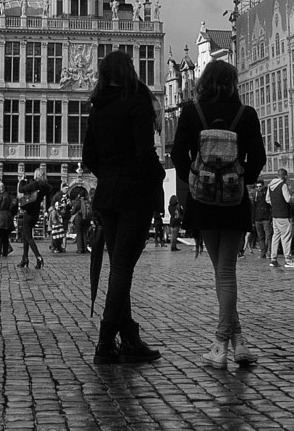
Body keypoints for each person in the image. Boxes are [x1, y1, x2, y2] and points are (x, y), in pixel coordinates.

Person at [171, 57, 265, 369]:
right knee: (225, 271)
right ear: (232, 84)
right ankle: (238, 343)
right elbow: (259, 157)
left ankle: (220, 342)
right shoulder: (246, 113)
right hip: (234, 200)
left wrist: (195, 179)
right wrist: (241, 177)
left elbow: (178, 153)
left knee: (222, 271)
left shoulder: (192, 112)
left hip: (203, 201)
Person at [81, 47, 163, 366]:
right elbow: (144, 151)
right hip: (134, 194)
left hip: (108, 195)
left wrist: (110, 175)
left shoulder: (98, 107)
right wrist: (155, 176)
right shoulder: (137, 100)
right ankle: (105, 340)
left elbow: (89, 157)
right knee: (122, 267)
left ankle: (128, 337)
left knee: (119, 266)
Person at [265, 169, 294, 268]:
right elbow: (288, 199)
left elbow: (267, 199)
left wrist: (275, 205)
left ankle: (273, 259)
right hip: (283, 214)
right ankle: (288, 260)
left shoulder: (270, 185)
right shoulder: (283, 185)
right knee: (286, 237)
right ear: (284, 176)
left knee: (276, 236)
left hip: (275, 215)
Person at [14, 173, 46, 270]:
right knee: (25, 236)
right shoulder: (44, 186)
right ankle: (25, 258)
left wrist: (22, 181)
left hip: (29, 213)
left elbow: (21, 189)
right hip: (36, 213)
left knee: (28, 237)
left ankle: (38, 257)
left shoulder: (34, 184)